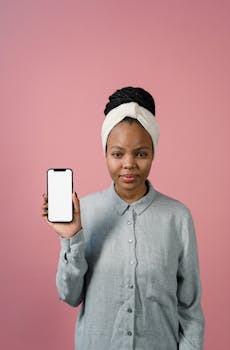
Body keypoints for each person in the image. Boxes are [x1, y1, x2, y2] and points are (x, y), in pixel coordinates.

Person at [41, 87, 205, 350]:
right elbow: (69, 295)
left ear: (153, 153)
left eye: (141, 154)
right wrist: (72, 237)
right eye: (117, 154)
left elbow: (190, 308)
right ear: (105, 154)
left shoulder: (178, 217)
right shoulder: (86, 212)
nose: (129, 164)